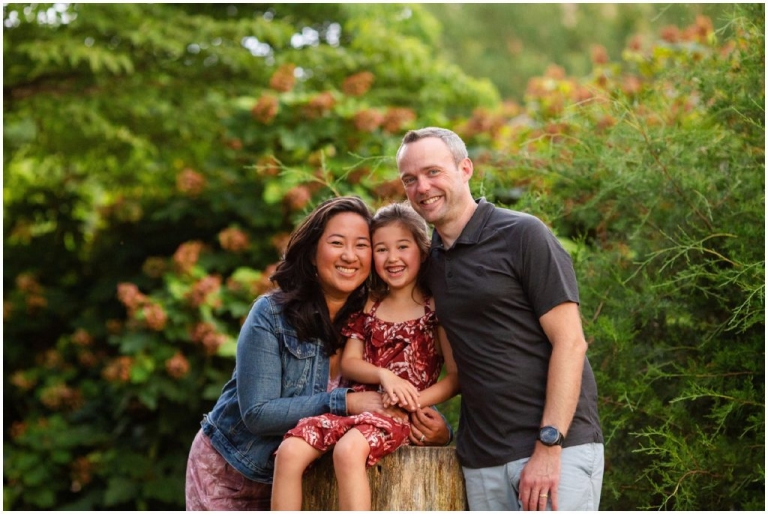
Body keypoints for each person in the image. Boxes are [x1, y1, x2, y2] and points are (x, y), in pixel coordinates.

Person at [184, 196, 451, 510]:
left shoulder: (373, 315)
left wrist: (439, 430)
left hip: (312, 479)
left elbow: (401, 386)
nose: (349, 256)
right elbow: (257, 413)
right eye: (337, 242)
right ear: (312, 252)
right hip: (234, 471)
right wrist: (346, 402)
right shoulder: (271, 315)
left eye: (362, 245)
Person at [396, 127, 604, 511]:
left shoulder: (523, 234)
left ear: (465, 169)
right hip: (482, 460)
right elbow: (458, 368)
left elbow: (571, 343)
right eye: (410, 179)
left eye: (433, 172)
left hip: (555, 450)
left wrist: (548, 444)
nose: (422, 187)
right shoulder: (429, 265)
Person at [271, 202, 460, 511]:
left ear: (422, 252)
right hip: (357, 406)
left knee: (347, 452)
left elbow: (455, 378)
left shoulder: (434, 311)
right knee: (290, 450)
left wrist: (413, 403)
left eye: (403, 247)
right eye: (381, 249)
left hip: (399, 417)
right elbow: (350, 362)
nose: (393, 258)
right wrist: (383, 375)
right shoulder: (370, 304)